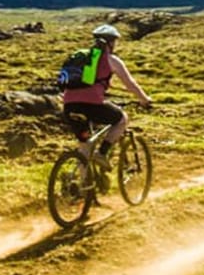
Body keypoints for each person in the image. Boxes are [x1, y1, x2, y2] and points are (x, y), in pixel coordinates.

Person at [61, 24, 152, 170]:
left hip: (69, 105)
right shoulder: (111, 60)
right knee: (122, 119)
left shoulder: (81, 56)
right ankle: (102, 154)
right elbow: (130, 84)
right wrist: (144, 99)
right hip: (92, 106)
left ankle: (79, 184)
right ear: (111, 42)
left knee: (85, 144)